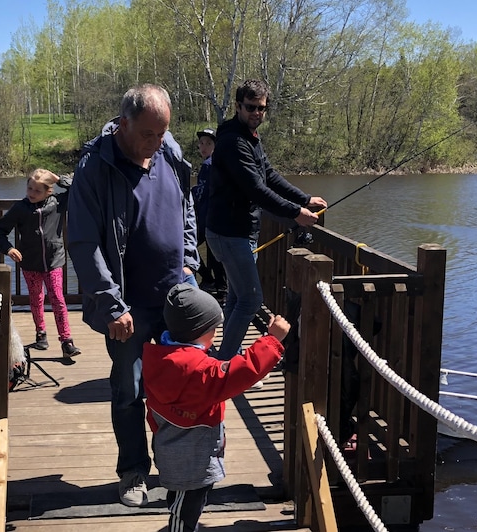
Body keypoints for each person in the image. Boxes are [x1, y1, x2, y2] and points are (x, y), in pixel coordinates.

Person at [67, 83, 199, 507]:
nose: (156, 143)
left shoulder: (169, 149)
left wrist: (191, 260)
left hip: (176, 294)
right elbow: (83, 244)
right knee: (129, 389)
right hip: (126, 305)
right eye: (148, 135)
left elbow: (186, 205)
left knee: (181, 385)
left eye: (163, 134)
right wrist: (110, 305)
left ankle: (178, 467)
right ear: (123, 124)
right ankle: (133, 473)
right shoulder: (95, 167)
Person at [143, 283, 288, 531]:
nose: (216, 334)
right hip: (194, 457)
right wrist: (271, 340)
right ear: (201, 332)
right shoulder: (201, 371)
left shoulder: (160, 358)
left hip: (169, 446)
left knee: (182, 500)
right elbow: (239, 372)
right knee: (185, 509)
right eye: (214, 329)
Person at [206, 79, 327, 361]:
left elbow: (269, 175)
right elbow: (256, 190)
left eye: (261, 108)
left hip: (240, 232)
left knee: (237, 298)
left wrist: (304, 198)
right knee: (251, 300)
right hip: (229, 233)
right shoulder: (234, 142)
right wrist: (296, 213)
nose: (257, 113)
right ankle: (223, 367)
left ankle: (229, 354)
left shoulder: (251, 138)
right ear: (238, 106)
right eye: (250, 107)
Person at [0, 168, 81, 360]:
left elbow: (77, 187)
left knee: (57, 298)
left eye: (37, 190)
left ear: (49, 191)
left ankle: (67, 341)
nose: (32, 193)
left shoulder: (58, 202)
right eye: (29, 188)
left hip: (54, 260)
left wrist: (57, 178)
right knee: (36, 298)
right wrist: (8, 249)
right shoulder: (20, 209)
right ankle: (41, 334)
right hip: (30, 263)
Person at [191, 127, 227, 297]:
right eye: (202, 143)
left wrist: (189, 194)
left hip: (206, 217)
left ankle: (207, 278)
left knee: (188, 247)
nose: (204, 147)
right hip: (217, 218)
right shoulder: (220, 163)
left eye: (209, 143)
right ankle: (220, 285)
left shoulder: (207, 165)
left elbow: (201, 193)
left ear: (216, 145)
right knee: (214, 252)